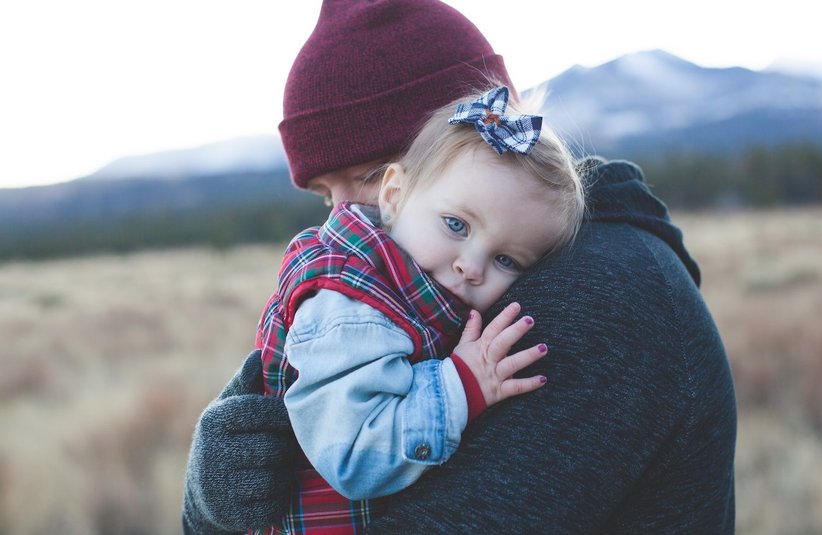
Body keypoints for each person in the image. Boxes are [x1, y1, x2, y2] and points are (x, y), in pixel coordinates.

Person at [182, 1, 737, 534]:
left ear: (482, 135)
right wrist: (209, 505)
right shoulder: (440, 283)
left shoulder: (597, 297)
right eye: (327, 196)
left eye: (374, 175)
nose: (347, 219)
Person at [252, 85, 584, 533]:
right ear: (393, 194)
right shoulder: (351, 306)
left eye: (506, 260)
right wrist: (461, 384)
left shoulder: (412, 286)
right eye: (456, 225)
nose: (471, 266)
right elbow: (353, 456)